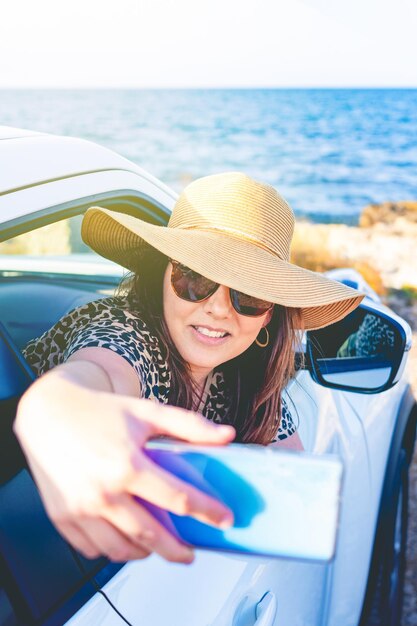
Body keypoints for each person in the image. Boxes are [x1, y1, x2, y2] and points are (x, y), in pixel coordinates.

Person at [14, 172, 364, 565]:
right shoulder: (125, 331)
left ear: (269, 315)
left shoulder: (247, 383)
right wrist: (54, 410)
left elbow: (298, 490)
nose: (217, 307)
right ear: (161, 274)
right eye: (195, 278)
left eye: (248, 294)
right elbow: (93, 376)